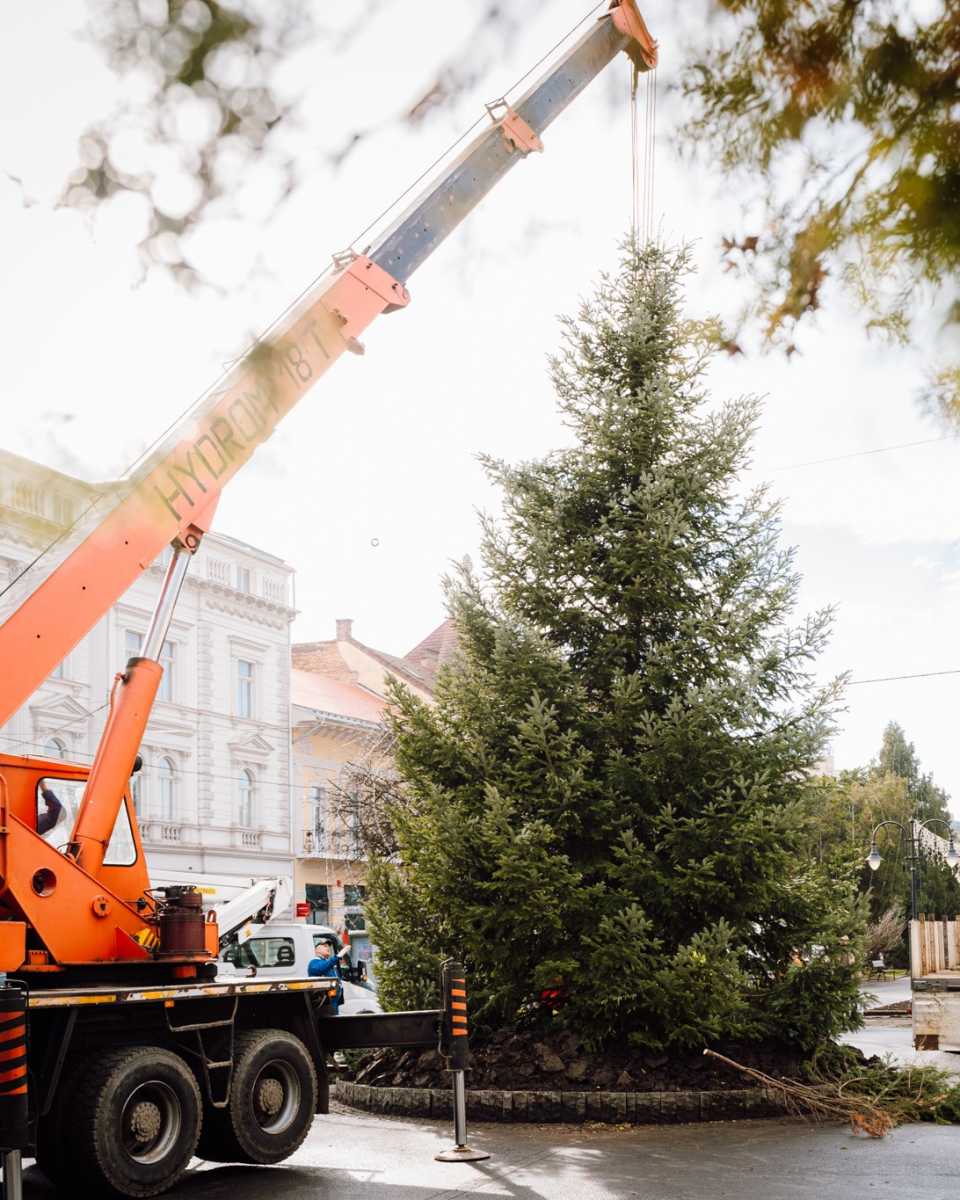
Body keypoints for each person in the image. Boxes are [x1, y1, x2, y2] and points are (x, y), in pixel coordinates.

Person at [307, 940, 341, 1014]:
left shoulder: (327, 962)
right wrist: (338, 956)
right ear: (317, 950)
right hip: (324, 1002)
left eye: (328, 946)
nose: (327, 948)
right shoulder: (314, 963)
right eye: (324, 946)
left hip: (332, 1000)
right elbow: (323, 967)